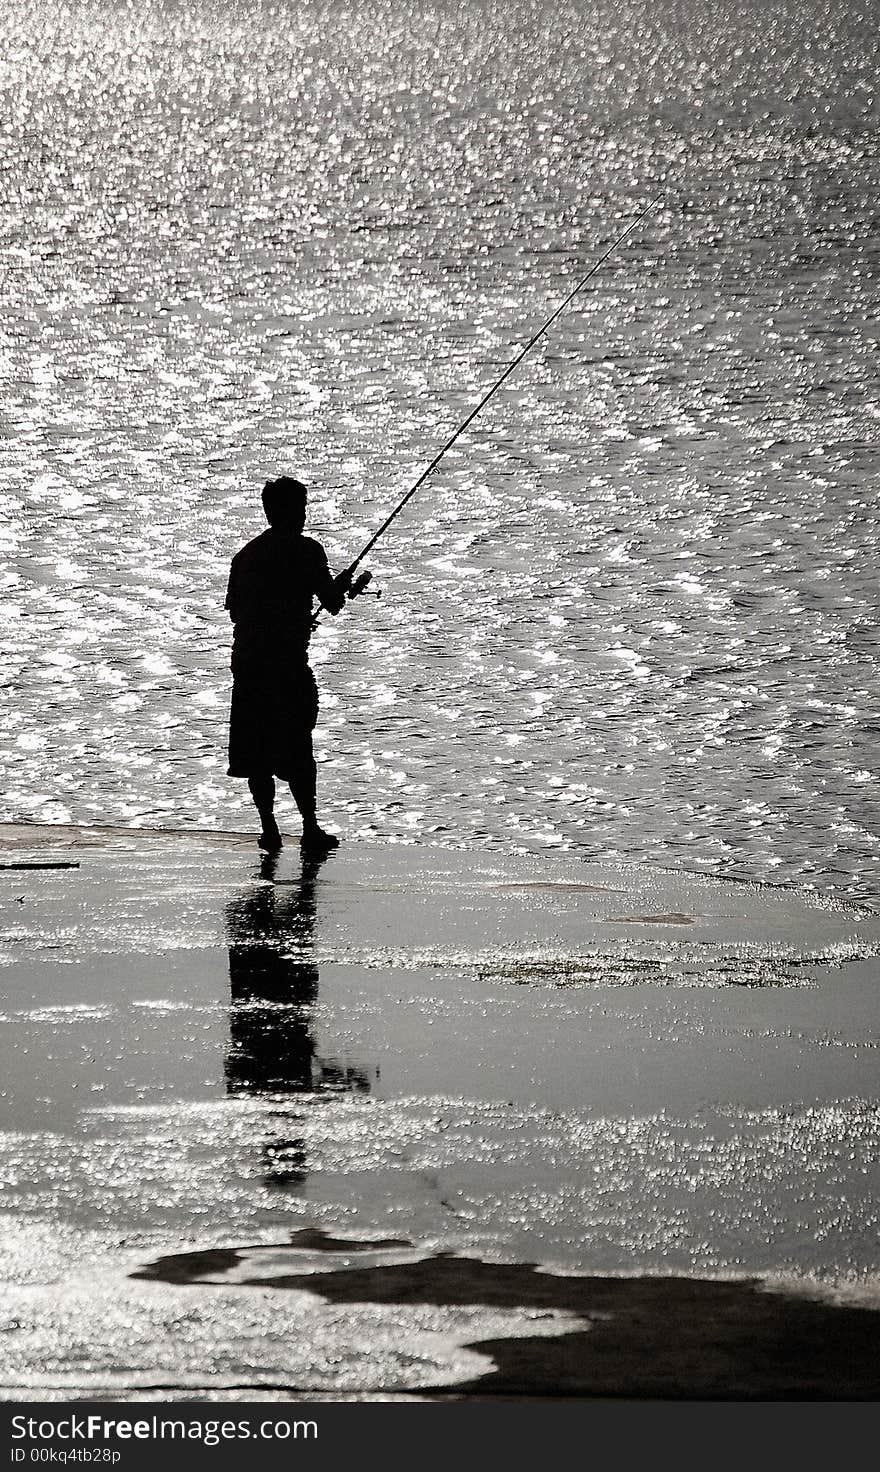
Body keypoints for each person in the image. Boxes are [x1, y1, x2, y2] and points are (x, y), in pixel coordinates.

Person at [225, 475, 351, 853]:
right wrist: (340, 586)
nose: (303, 514)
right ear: (290, 510)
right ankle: (310, 828)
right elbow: (332, 603)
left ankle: (270, 829)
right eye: (301, 507)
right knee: (298, 748)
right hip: (287, 666)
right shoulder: (307, 551)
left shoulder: (245, 556)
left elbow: (236, 613)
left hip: (248, 665)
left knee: (256, 753)